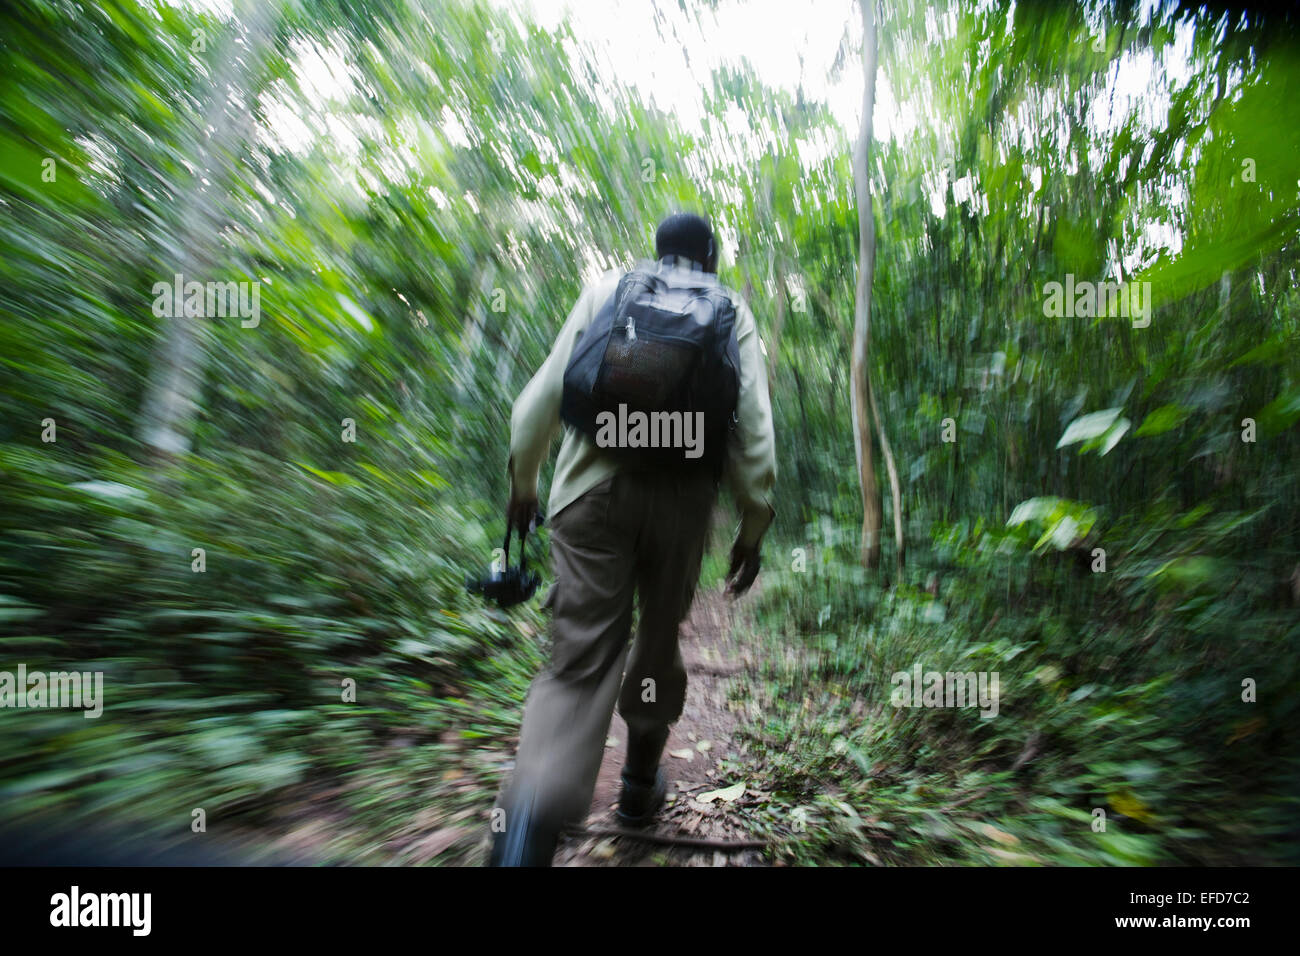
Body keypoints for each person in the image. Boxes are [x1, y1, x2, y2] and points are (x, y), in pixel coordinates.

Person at [488, 212, 777, 866]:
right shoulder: (730, 308)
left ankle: (526, 830)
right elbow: (755, 435)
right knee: (656, 640)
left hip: (591, 495)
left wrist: (525, 481)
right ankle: (640, 787)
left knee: (580, 660)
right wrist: (752, 528)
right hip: (682, 507)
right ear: (711, 259)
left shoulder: (610, 287)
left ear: (659, 251)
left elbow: (544, 395)